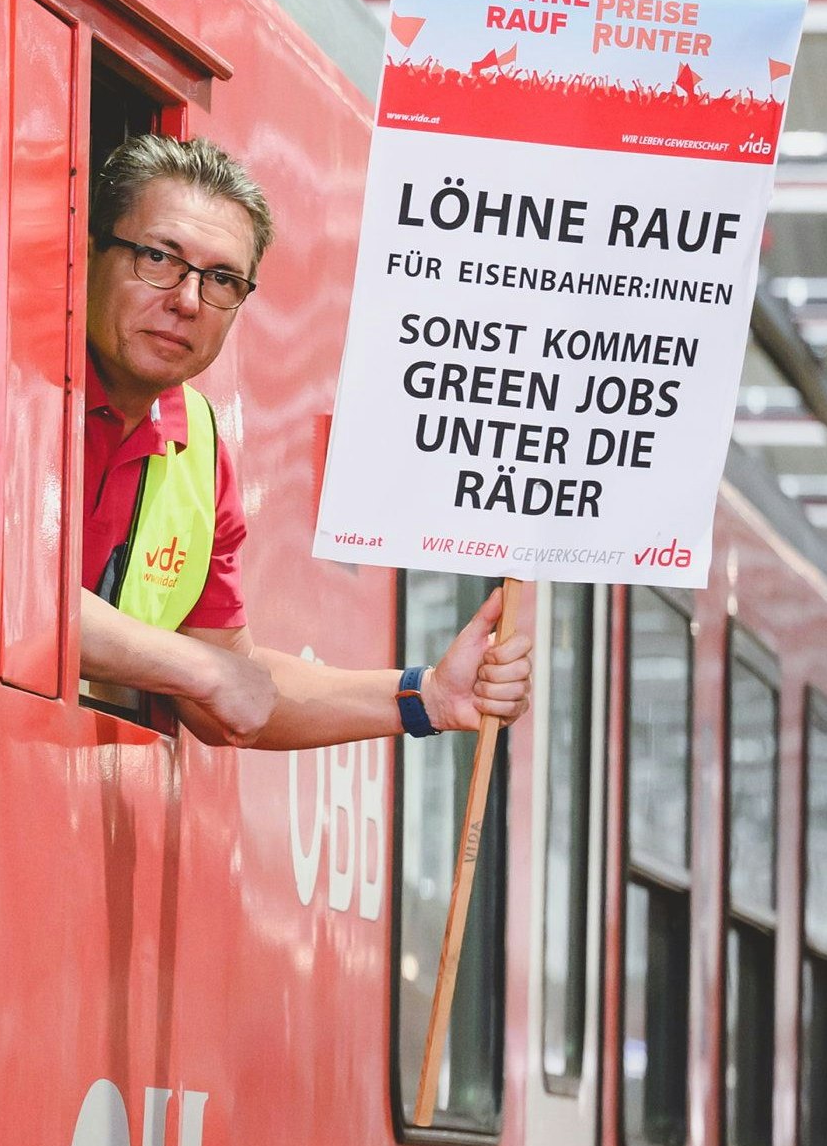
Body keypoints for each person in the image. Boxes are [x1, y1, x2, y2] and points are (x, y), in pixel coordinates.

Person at [75, 133, 528, 749]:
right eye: (157, 257)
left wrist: (429, 696)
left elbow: (234, 688)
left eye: (222, 279)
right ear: (88, 248)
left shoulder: (197, 449)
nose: (187, 300)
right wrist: (197, 669)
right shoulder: (9, 383)